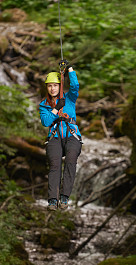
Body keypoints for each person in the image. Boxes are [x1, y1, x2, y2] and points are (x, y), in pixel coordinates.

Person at [39, 62, 82, 211]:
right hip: (55, 137)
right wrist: (56, 109)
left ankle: (64, 198)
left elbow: (75, 86)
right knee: (55, 165)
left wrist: (70, 69)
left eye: (55, 85)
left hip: (71, 135)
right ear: (47, 88)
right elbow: (45, 122)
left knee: (71, 161)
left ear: (60, 86)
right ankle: (52, 200)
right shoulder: (44, 104)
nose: (53, 88)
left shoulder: (70, 98)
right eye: (50, 86)